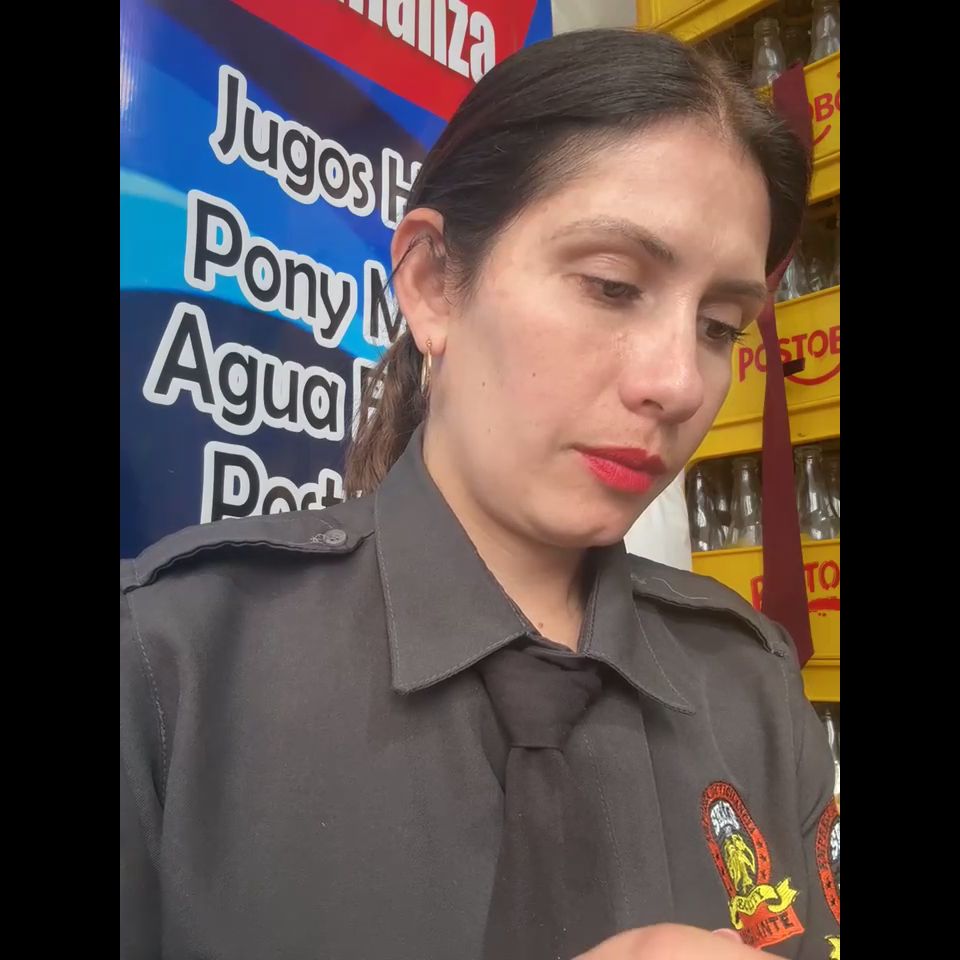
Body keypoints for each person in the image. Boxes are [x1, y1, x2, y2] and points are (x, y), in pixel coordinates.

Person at [120, 28, 840, 960]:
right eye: (613, 286)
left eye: (718, 325)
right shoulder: (169, 669)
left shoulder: (750, 686)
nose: (677, 382)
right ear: (432, 284)